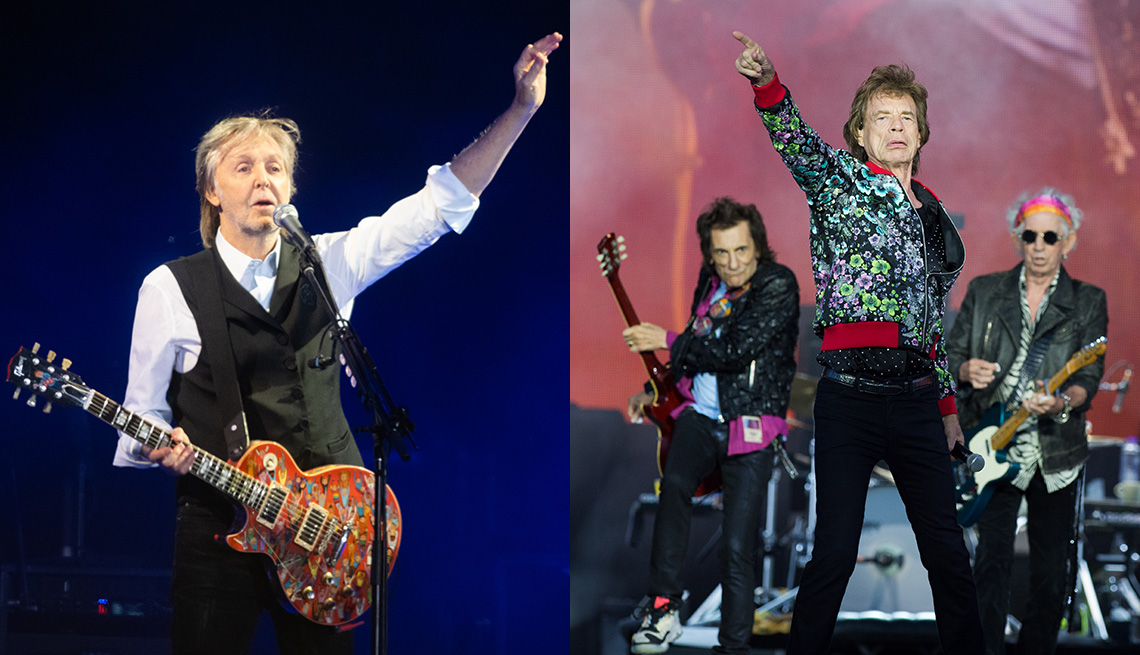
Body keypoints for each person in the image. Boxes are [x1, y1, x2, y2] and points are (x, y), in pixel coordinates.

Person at [110, 33, 561, 654]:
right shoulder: (170, 287)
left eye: (275, 168)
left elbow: (434, 211)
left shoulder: (326, 264)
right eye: (243, 167)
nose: (263, 179)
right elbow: (139, 421)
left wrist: (521, 111)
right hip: (221, 531)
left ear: (291, 189)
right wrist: (163, 448)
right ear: (212, 193)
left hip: (329, 533)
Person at [731, 31, 983, 655]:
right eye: (882, 119)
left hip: (920, 401)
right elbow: (795, 142)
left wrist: (949, 412)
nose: (896, 128)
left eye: (907, 119)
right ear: (862, 134)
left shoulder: (934, 215)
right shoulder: (839, 181)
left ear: (921, 136)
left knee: (948, 554)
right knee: (835, 554)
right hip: (849, 400)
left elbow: (931, 324)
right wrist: (767, 83)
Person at [621, 197, 799, 655]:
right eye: (721, 253)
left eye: (741, 250)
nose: (732, 263)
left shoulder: (777, 284)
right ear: (710, 254)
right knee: (673, 487)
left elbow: (733, 351)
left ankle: (734, 647)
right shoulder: (711, 281)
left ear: (757, 245)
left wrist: (665, 338)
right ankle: (663, 610)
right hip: (699, 416)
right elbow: (696, 343)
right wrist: (653, 391)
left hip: (751, 425)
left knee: (737, 547)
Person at [947, 188, 1107, 655]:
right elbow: (952, 353)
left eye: (1050, 237)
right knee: (989, 564)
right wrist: (964, 369)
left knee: (1051, 571)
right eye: (1031, 235)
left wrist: (1063, 402)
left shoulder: (1087, 300)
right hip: (994, 444)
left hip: (1055, 452)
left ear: (1068, 242)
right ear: (1018, 239)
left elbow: (1090, 375)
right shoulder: (984, 290)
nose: (1039, 245)